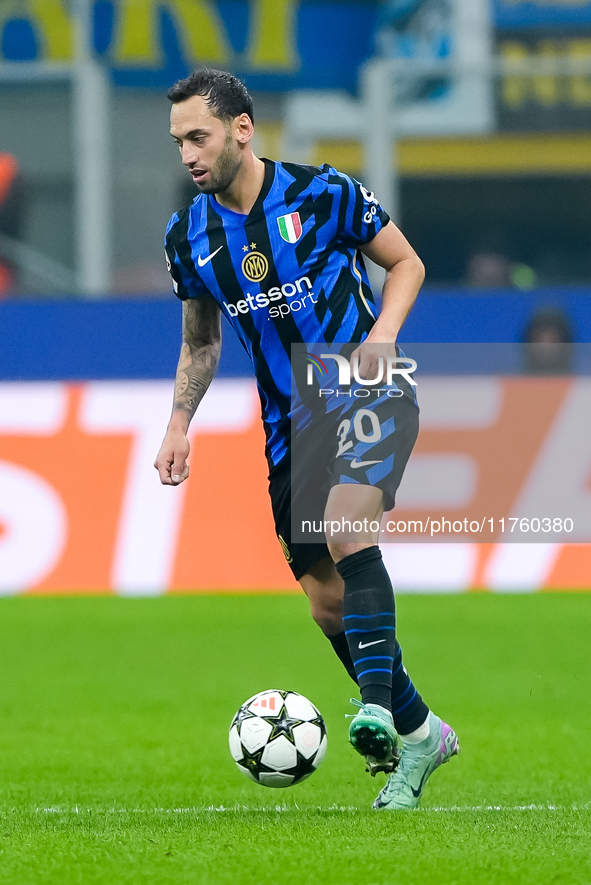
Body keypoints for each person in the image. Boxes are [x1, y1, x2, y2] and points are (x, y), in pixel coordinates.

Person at [154, 68, 459, 810]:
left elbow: (406, 261)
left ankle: (378, 714)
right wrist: (177, 422)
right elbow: (200, 344)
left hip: (368, 390)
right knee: (326, 606)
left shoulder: (323, 193)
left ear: (241, 128)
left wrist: (384, 335)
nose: (189, 154)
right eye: (178, 142)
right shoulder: (188, 235)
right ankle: (421, 734)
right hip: (289, 427)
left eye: (198, 136)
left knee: (351, 536)